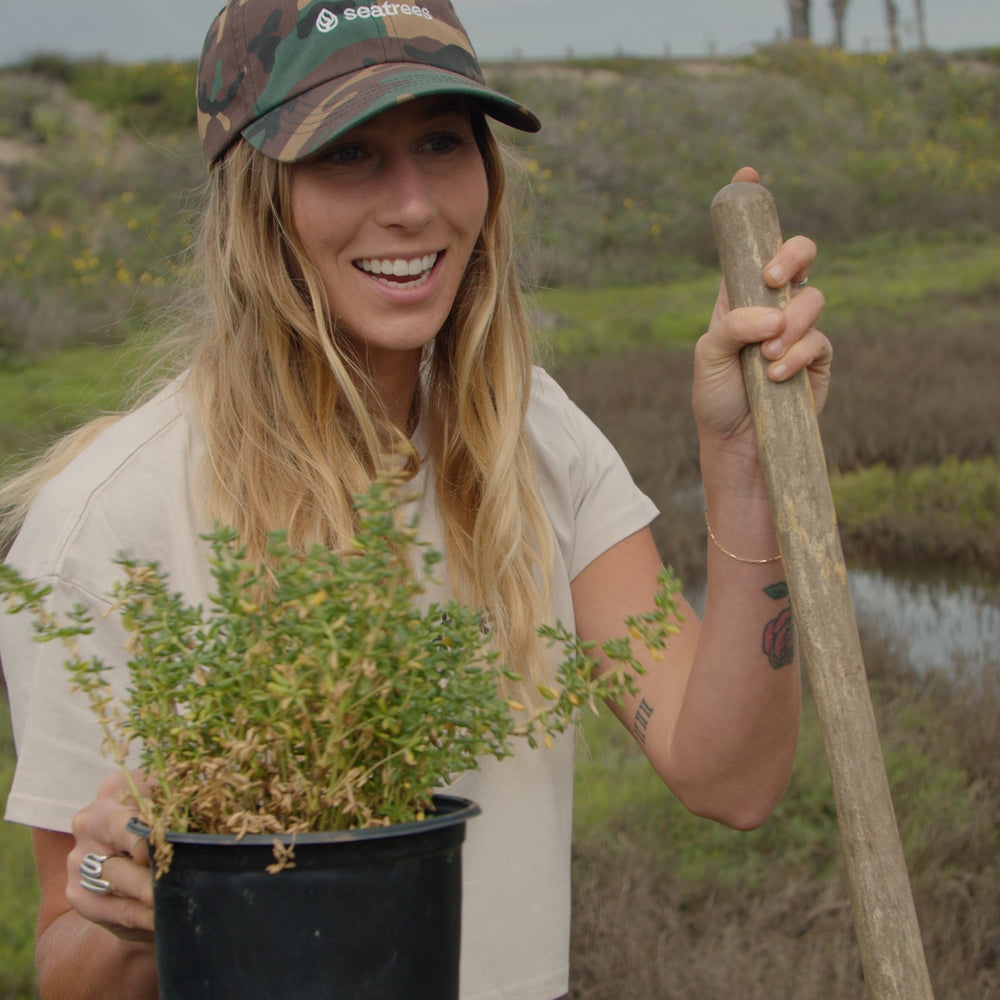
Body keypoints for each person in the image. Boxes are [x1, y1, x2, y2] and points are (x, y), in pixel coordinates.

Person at [0, 1, 831, 998]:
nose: (411, 205)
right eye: (347, 153)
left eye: (441, 142)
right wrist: (121, 896)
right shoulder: (105, 525)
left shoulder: (535, 436)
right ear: (255, 196)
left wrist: (744, 468)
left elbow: (730, 777)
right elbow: (68, 968)